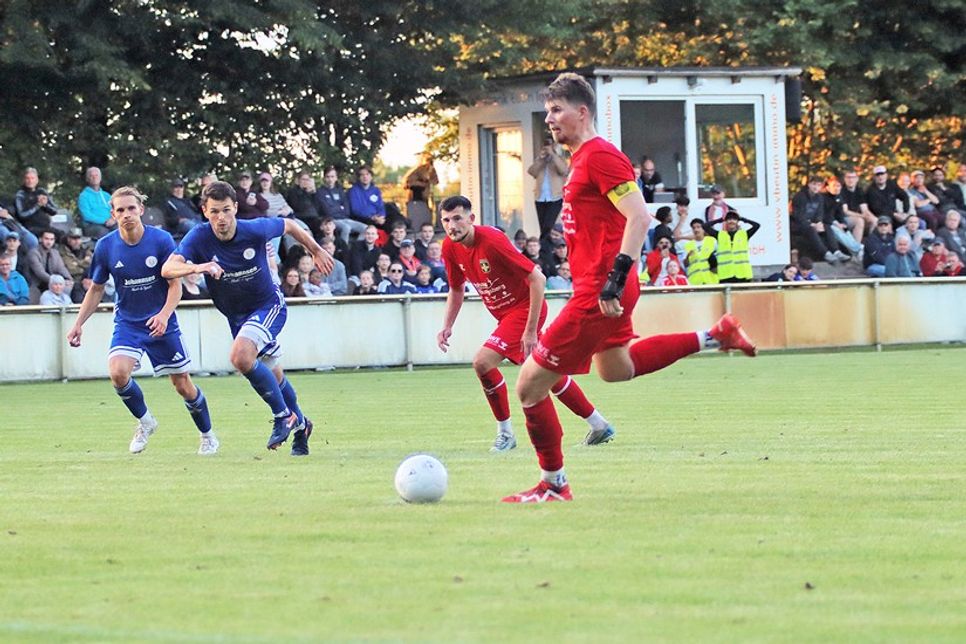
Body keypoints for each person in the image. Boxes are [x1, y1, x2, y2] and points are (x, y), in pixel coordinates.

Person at [506, 72, 756, 503]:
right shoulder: (581, 159)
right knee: (615, 368)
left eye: (556, 110)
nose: (549, 119)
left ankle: (553, 484)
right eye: (548, 111)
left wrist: (614, 279)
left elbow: (639, 217)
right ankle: (716, 335)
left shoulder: (600, 156)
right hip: (602, 285)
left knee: (529, 385)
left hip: (602, 289)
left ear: (581, 112)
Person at [161, 181, 334, 455]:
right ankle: (301, 424)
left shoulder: (254, 229)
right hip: (238, 316)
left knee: (241, 357)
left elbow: (288, 225)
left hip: (268, 305)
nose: (221, 218)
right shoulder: (198, 237)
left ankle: (283, 417)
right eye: (215, 211)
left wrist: (315, 250)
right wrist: (199, 266)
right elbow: (168, 268)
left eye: (226, 210)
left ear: (236, 208)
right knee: (274, 375)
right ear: (205, 212)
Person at [437, 196, 617, 452]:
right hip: (508, 316)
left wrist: (530, 331)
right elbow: (456, 289)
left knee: (482, 362)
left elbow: (538, 279)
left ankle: (506, 434)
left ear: (471, 218)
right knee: (545, 373)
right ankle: (599, 424)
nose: (452, 225)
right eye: (446, 220)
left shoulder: (492, 240)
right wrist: (447, 325)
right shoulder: (449, 247)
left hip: (524, 311)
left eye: (457, 218)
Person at [66, 186, 219, 455]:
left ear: (141, 210)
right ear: (112, 214)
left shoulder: (161, 241)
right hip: (128, 323)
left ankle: (207, 435)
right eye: (120, 210)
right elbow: (97, 288)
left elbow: (175, 286)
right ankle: (146, 421)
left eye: (131, 208)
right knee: (117, 373)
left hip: (162, 321)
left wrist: (163, 315)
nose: (126, 214)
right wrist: (78, 323)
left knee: (182, 385)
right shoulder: (105, 246)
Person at [789, 177, 847, 263]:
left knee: (827, 226)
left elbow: (820, 214)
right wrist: (812, 224)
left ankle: (836, 251)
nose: (816, 187)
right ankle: (826, 253)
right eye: (814, 184)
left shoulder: (820, 197)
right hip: (797, 224)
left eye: (819, 185)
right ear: (809, 184)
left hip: (812, 223)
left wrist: (819, 223)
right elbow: (798, 216)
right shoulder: (800, 196)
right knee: (810, 229)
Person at [527, 137, 569, 239]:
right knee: (543, 226)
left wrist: (553, 155)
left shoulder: (559, 158)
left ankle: (543, 245)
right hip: (540, 198)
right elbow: (532, 171)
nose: (547, 147)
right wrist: (542, 159)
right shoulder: (540, 159)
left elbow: (563, 170)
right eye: (546, 145)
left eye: (549, 145)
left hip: (555, 197)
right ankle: (545, 247)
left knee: (549, 226)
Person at [705, 210, 760, 282]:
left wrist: (743, 219)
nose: (731, 221)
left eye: (734, 219)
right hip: (726, 275)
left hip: (742, 274)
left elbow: (757, 225)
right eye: (729, 219)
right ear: (726, 221)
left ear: (737, 221)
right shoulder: (720, 235)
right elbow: (705, 226)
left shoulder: (744, 234)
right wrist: (720, 220)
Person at [316, 166, 366, 242]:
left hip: (344, 218)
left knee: (365, 228)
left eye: (332, 177)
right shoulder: (320, 192)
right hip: (331, 220)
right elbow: (327, 211)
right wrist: (339, 208)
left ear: (336, 178)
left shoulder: (340, 191)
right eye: (328, 177)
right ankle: (343, 251)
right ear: (324, 178)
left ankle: (356, 249)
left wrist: (335, 207)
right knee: (346, 228)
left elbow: (346, 209)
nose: (330, 179)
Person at [15, 167, 60, 239]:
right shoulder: (21, 194)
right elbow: (22, 215)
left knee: (64, 236)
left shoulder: (42, 191)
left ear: (37, 180)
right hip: (30, 228)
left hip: (46, 227)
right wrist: (38, 205)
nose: (30, 181)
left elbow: (55, 211)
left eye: (32, 178)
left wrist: (45, 205)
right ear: (24, 180)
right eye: (27, 178)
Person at [27, 229, 73, 297]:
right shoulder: (33, 253)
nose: (49, 242)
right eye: (46, 239)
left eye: (51, 239)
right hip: (35, 285)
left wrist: (69, 279)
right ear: (40, 239)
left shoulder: (55, 252)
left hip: (52, 284)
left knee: (69, 287)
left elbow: (61, 268)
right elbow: (40, 273)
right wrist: (57, 282)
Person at [403, 151, 439, 229]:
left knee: (426, 210)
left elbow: (436, 181)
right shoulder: (417, 169)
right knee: (415, 211)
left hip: (425, 194)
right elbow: (407, 182)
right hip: (414, 194)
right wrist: (421, 183)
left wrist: (428, 181)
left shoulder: (432, 169)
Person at [77, 167, 116, 239]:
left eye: (96, 175)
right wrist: (104, 221)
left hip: (109, 223)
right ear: (87, 179)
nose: (94, 177)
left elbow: (115, 210)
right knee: (104, 233)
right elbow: (86, 215)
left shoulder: (106, 195)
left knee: (123, 230)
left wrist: (113, 219)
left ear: (100, 178)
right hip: (91, 225)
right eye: (91, 176)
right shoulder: (83, 196)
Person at [347, 166, 387, 230]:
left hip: (377, 218)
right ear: (358, 177)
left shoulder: (376, 190)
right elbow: (355, 210)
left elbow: (381, 206)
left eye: (367, 174)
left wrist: (381, 216)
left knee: (393, 222)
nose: (365, 177)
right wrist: (372, 217)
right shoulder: (353, 191)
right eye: (362, 175)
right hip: (362, 219)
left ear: (371, 176)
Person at [680, 219, 718, 285]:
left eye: (698, 227)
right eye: (693, 228)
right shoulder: (688, 245)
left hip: (711, 280)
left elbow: (718, 256)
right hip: (695, 282)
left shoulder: (712, 241)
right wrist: (688, 256)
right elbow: (685, 265)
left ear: (703, 229)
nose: (696, 230)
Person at [286, 171, 323, 239]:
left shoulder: (312, 193)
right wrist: (304, 192)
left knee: (325, 227)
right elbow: (297, 207)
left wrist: (313, 193)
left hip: (314, 217)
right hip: (301, 217)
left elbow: (318, 207)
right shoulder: (293, 192)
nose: (305, 182)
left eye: (307, 180)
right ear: (298, 180)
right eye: (303, 179)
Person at [840, 170, 875, 241]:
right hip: (844, 218)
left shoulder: (859, 190)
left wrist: (871, 217)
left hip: (857, 216)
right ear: (845, 179)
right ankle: (856, 247)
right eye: (848, 177)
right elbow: (845, 212)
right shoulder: (841, 191)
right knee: (860, 221)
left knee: (875, 220)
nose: (850, 180)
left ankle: (870, 244)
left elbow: (864, 209)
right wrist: (862, 216)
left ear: (857, 179)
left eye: (853, 177)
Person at [59, 228, 93, 301]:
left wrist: (77, 263)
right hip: (71, 279)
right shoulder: (62, 251)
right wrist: (84, 263)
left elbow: (92, 264)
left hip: (87, 278)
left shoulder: (85, 249)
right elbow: (71, 269)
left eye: (78, 238)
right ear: (68, 239)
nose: (77, 241)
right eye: (74, 239)